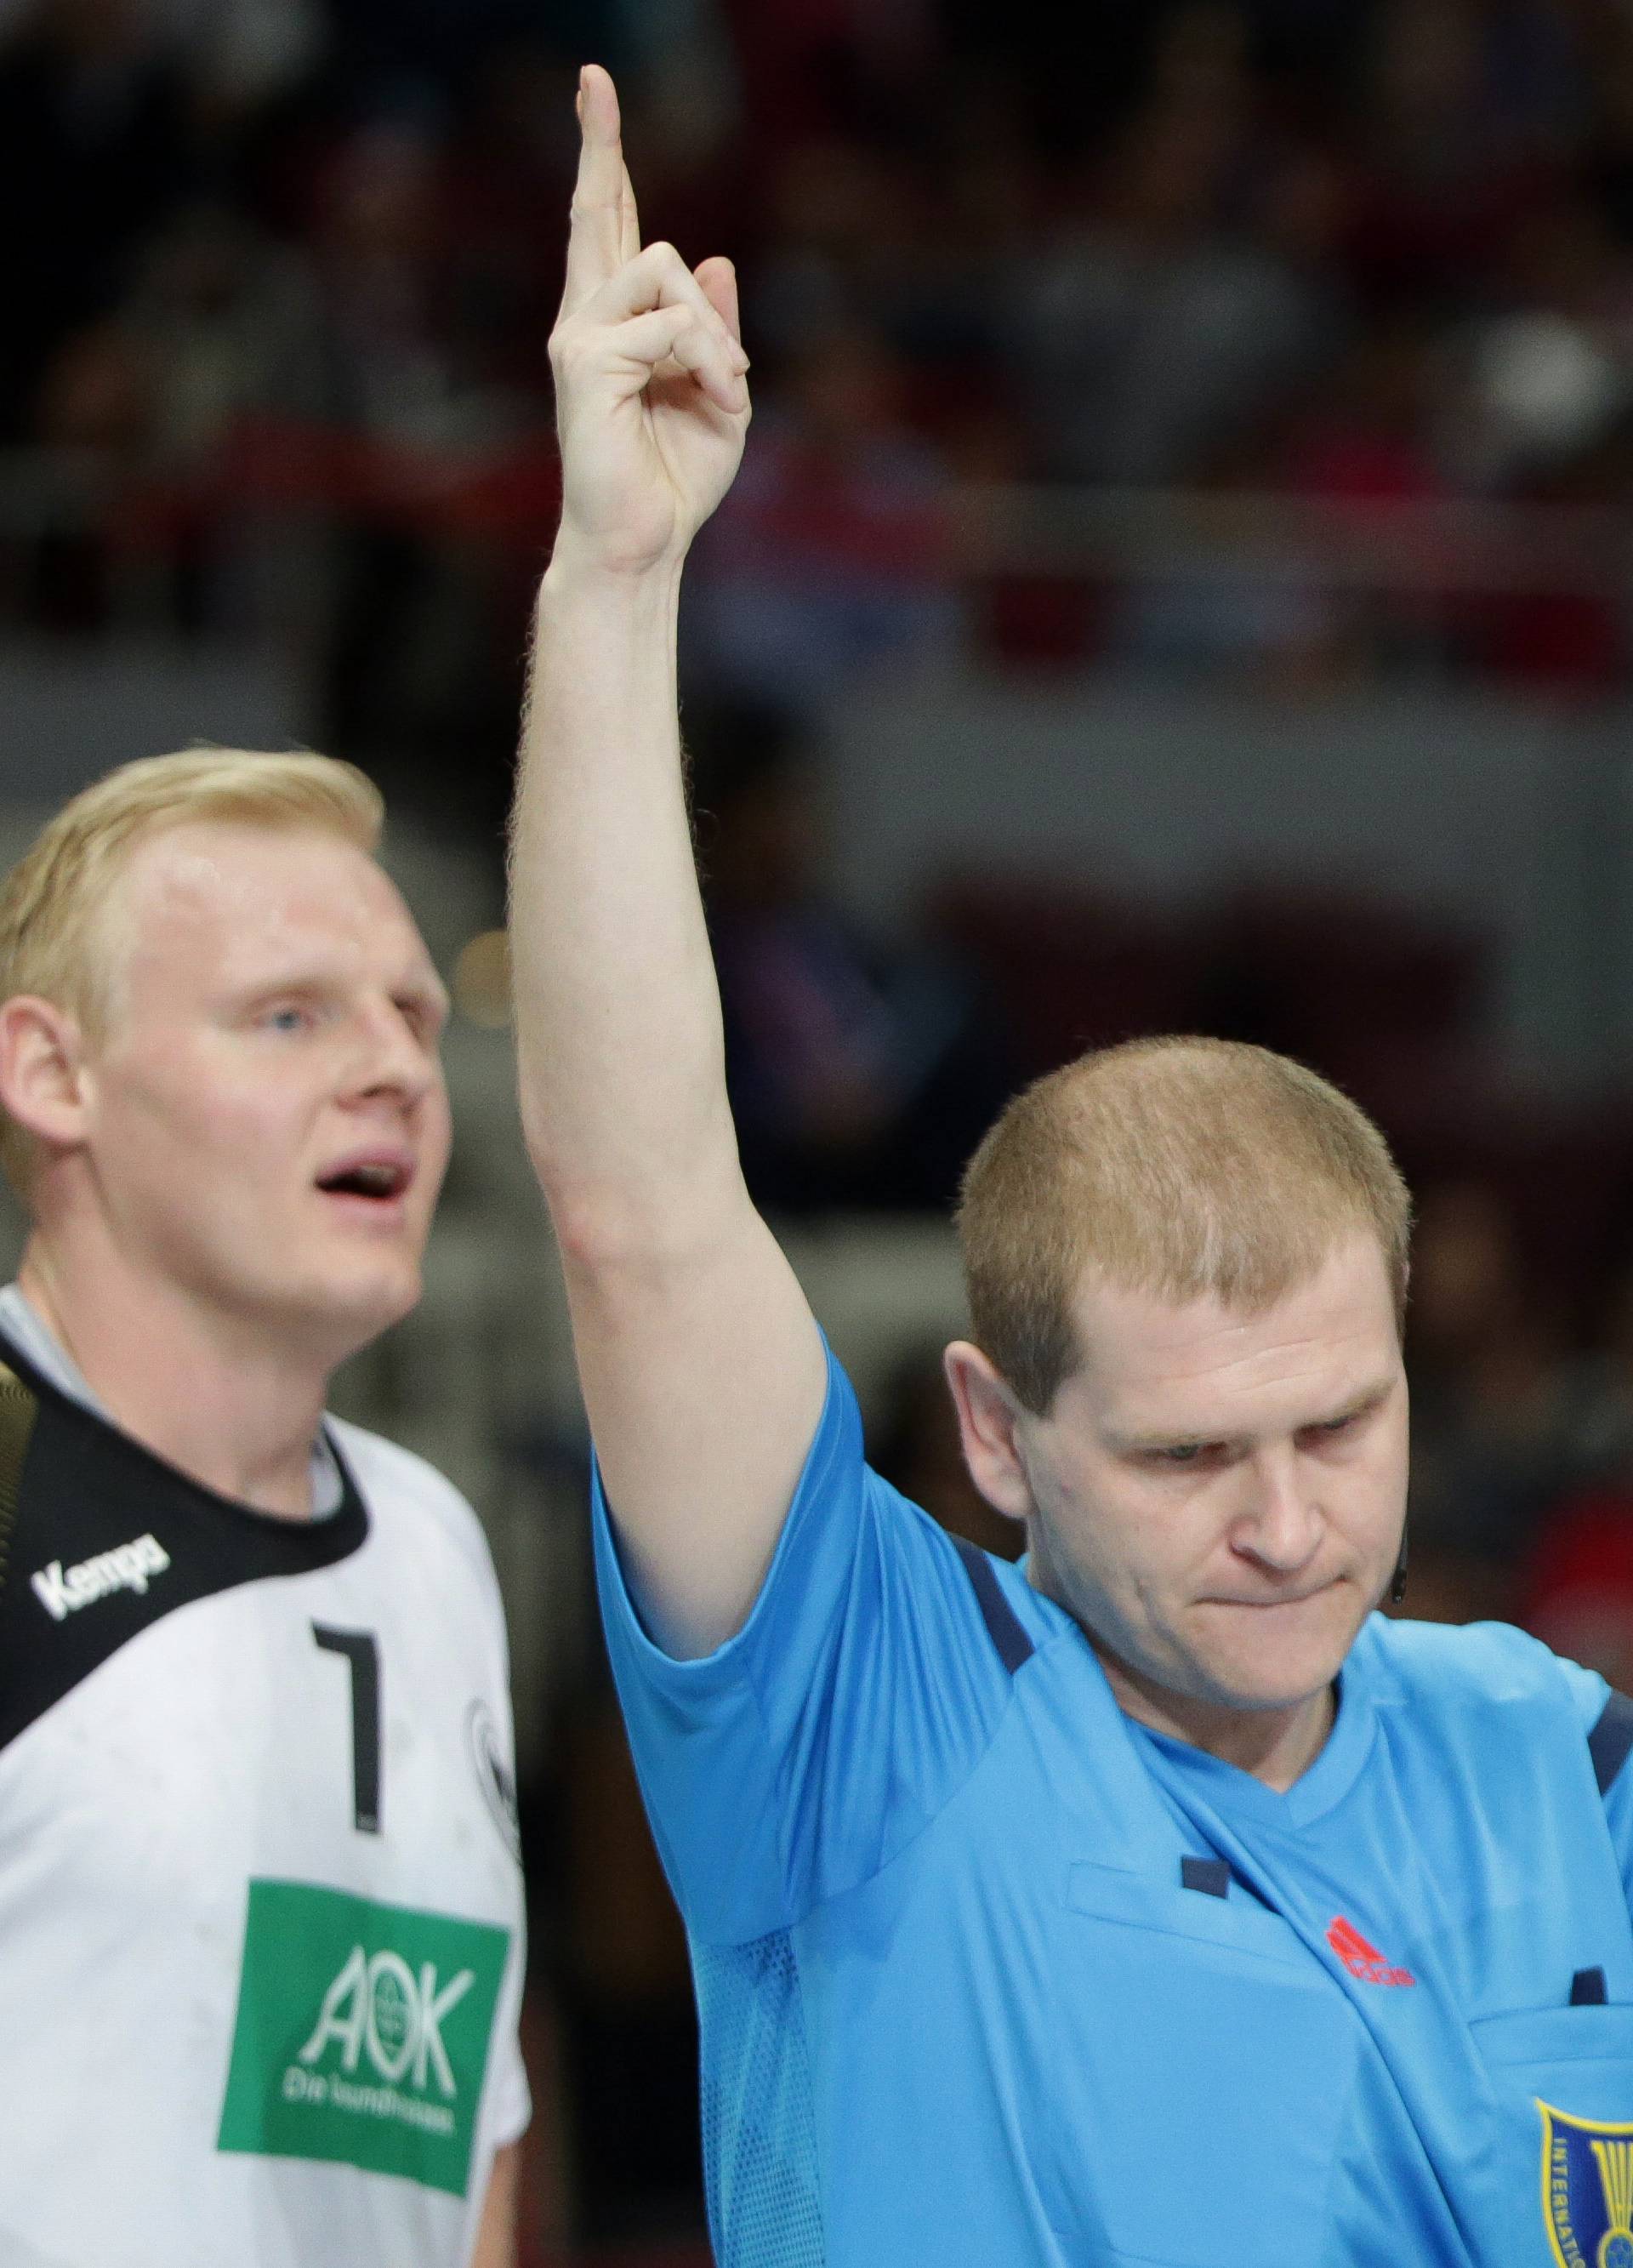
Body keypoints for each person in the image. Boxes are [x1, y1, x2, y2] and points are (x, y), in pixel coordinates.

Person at [510, 64, 1633, 2268]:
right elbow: (640, 1217)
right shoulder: (867, 1716)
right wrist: (620, 572)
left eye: (1343, 1420)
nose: (1296, 1523)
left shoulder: (1556, 1753)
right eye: (1195, 1453)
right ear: (998, 1438)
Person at [0, 749, 531, 2268]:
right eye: (289, 1015)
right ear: (54, 1074)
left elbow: (470, 2125)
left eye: (413, 1015)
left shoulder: (432, 1543)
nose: (396, 1069)